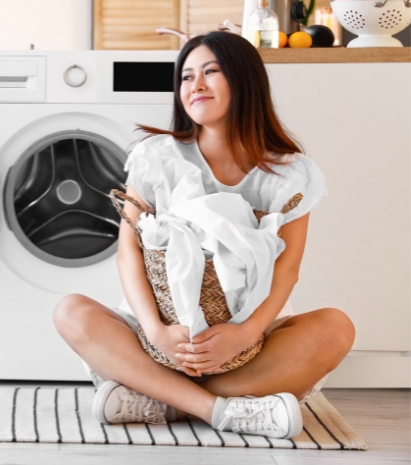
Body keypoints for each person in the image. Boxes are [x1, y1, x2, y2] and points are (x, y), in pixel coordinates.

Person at [53, 31, 355, 440]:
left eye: (210, 72)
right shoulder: (157, 156)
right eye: (186, 76)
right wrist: (156, 330)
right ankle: (218, 410)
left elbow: (288, 270)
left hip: (241, 339)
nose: (194, 85)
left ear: (245, 80)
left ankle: (159, 401)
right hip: (158, 337)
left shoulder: (291, 175)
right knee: (71, 311)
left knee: (336, 328)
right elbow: (129, 253)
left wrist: (244, 335)